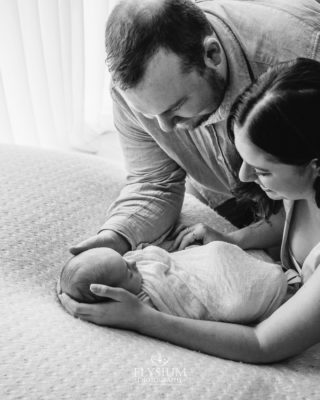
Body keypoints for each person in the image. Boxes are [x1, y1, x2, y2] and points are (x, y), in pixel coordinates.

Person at [60, 58, 320, 363]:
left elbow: (262, 343)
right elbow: (285, 221)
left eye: (262, 171)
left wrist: (142, 317)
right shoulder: (299, 188)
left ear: (315, 166)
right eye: (244, 159)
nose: (243, 176)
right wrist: (234, 240)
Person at [69, 0, 320, 257]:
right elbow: (155, 182)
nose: (165, 128)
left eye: (175, 107)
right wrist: (116, 236)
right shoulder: (135, 94)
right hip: (235, 197)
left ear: (212, 55)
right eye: (149, 116)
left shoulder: (304, 46)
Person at [58, 243, 287, 323]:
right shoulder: (143, 301)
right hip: (211, 295)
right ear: (114, 296)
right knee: (236, 301)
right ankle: (273, 283)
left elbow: (157, 256)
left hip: (205, 270)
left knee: (217, 252)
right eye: (128, 273)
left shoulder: (131, 263)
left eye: (125, 260)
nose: (134, 264)